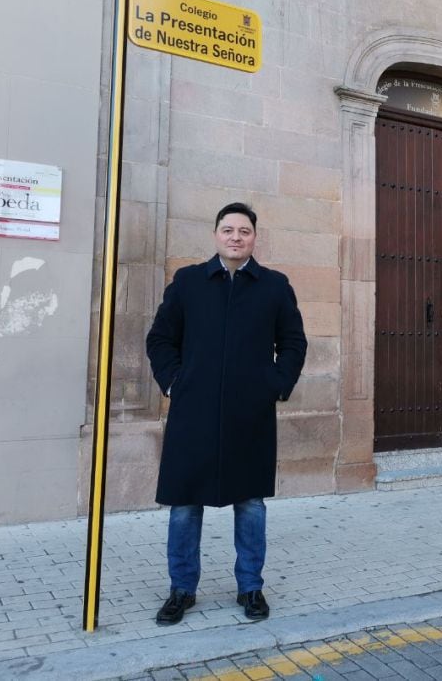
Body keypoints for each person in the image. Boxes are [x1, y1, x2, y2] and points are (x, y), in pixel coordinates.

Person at [146, 202, 307, 625]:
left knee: (250, 504)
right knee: (184, 506)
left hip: (248, 415)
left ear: (255, 237)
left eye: (244, 231)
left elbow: (293, 343)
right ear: (216, 234)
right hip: (192, 413)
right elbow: (160, 339)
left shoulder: (274, 286)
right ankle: (182, 589)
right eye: (228, 230)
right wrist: (173, 383)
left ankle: (250, 587)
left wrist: (275, 385)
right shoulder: (188, 282)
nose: (236, 237)